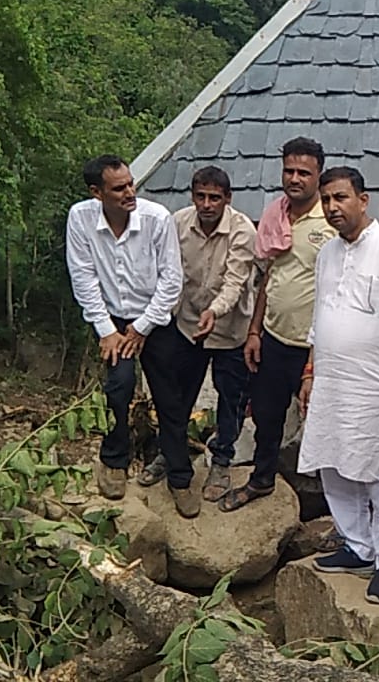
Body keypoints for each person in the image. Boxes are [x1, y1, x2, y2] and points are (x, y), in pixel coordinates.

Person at [299, 167, 379, 605]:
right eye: (327, 201)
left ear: (364, 199)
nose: (333, 208)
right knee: (334, 464)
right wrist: (311, 373)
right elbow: (320, 320)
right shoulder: (328, 253)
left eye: (341, 199)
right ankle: (357, 545)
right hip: (333, 383)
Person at [65, 155, 192, 515]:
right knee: (118, 387)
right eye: (119, 188)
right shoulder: (81, 218)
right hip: (112, 318)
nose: (129, 193)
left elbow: (171, 281)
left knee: (170, 398)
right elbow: (83, 276)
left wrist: (142, 327)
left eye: (131, 183)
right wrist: (107, 331)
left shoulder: (156, 218)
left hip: (154, 318)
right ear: (97, 192)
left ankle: (180, 477)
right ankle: (115, 460)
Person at [219, 137, 335, 512]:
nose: (295, 178)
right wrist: (254, 331)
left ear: (318, 176)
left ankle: (331, 507)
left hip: (315, 347)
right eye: (289, 171)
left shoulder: (331, 221)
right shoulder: (276, 216)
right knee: (267, 417)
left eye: (304, 172)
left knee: (322, 424)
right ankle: (262, 480)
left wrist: (316, 362)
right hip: (273, 338)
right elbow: (267, 277)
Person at [166, 166, 257, 505]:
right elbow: (168, 271)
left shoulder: (242, 230)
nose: (207, 204)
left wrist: (215, 312)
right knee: (177, 395)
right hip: (187, 324)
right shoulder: (177, 223)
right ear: (192, 196)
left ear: (227, 199)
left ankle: (222, 461)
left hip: (230, 328)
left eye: (214, 198)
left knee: (230, 397)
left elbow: (235, 281)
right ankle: (171, 455)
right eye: (201, 196)